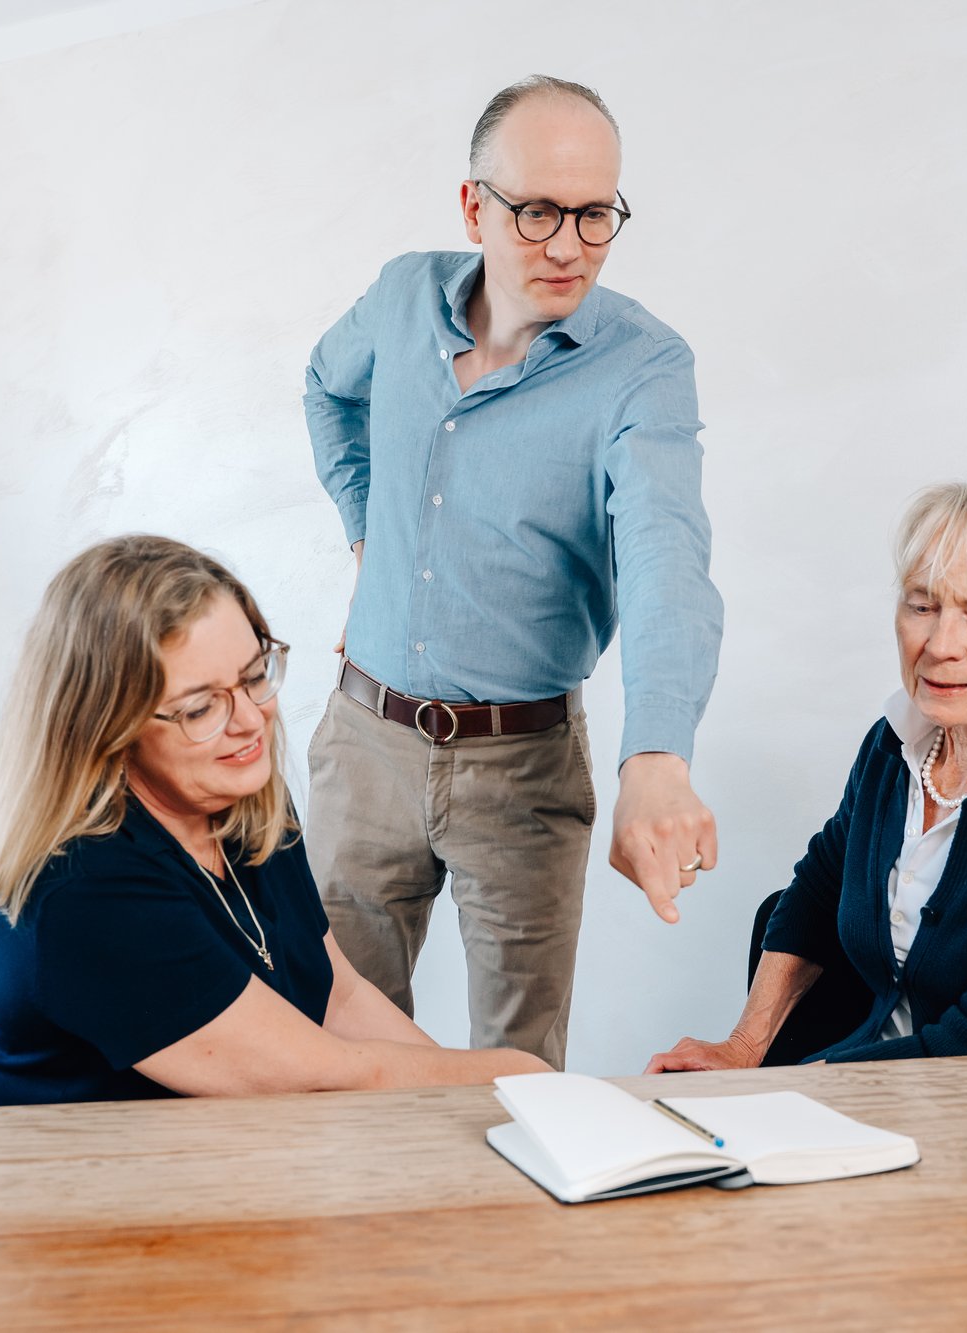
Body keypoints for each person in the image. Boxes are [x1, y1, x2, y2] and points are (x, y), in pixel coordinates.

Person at [303, 74, 724, 1067]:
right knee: (331, 1055)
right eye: (537, 211)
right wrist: (366, 535)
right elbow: (326, 387)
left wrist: (656, 755)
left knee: (520, 1077)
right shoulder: (402, 295)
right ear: (473, 207)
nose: (568, 245)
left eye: (594, 214)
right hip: (364, 745)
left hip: (522, 767)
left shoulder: (643, 366)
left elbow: (668, 551)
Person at [0, 534, 550, 1106]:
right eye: (200, 707)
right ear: (110, 728)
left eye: (253, 677)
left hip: (222, 1165)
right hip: (80, 1195)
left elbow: (337, 998)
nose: (250, 720)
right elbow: (325, 1077)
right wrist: (527, 1077)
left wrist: (490, 1102)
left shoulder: (242, 798)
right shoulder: (82, 885)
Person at [647, 482, 967, 1070]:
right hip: (873, 1096)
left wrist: (789, 1095)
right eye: (922, 606)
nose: (941, 645)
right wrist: (742, 1050)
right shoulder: (893, 746)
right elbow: (819, 889)